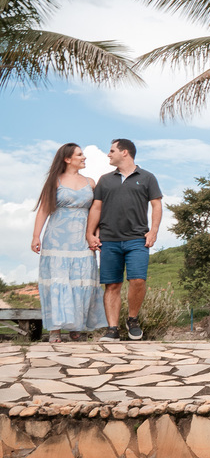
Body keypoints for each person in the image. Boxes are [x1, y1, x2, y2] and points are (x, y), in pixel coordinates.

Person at [86, 139, 162, 341]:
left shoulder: (147, 177)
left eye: (112, 151)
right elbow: (96, 207)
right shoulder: (105, 180)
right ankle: (112, 329)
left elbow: (156, 205)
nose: (108, 154)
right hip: (109, 240)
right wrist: (90, 233)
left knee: (138, 280)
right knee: (112, 285)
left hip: (137, 239)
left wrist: (153, 231)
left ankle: (132, 319)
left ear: (125, 152)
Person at [31, 143, 107, 342]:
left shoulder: (91, 182)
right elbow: (43, 210)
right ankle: (55, 329)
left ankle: (76, 327)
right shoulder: (55, 181)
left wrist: (96, 234)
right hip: (57, 239)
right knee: (58, 281)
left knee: (81, 280)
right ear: (67, 159)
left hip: (82, 238)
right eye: (79, 155)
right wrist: (36, 236)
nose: (84, 157)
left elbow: (97, 211)